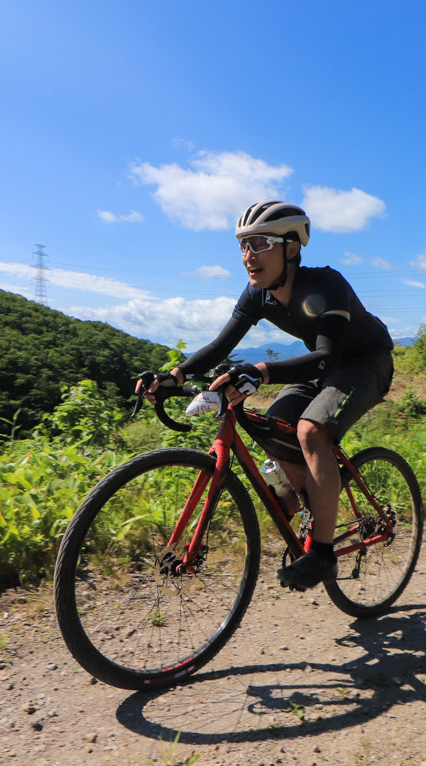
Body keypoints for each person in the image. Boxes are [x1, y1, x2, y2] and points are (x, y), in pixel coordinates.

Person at [141, 200, 394, 590]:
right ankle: (303, 499)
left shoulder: (327, 285)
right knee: (275, 426)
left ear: (291, 248)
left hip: (365, 363)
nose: (248, 255)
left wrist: (260, 370)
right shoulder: (257, 293)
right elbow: (219, 345)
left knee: (311, 431)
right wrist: (173, 375)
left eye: (260, 243)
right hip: (320, 367)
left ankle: (323, 555)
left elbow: (327, 357)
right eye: (244, 245)